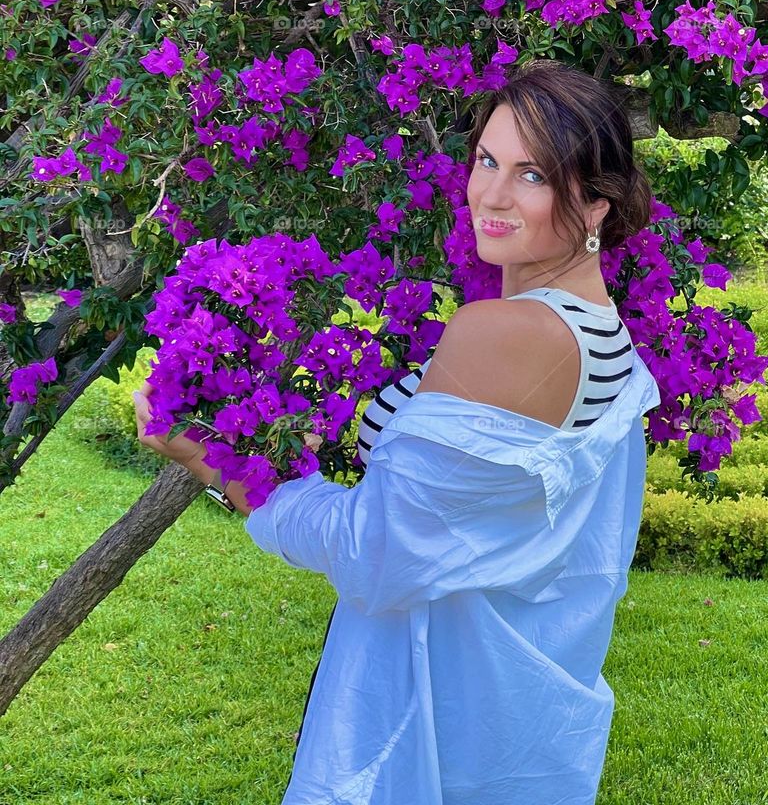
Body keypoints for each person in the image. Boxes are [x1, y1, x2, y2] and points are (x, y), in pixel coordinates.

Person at [134, 58, 662, 805]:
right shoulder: (608, 342)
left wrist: (215, 466)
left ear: (597, 202)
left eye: (533, 175)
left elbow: (373, 553)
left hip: (429, 739)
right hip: (518, 731)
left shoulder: (504, 332)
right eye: (486, 160)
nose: (493, 195)